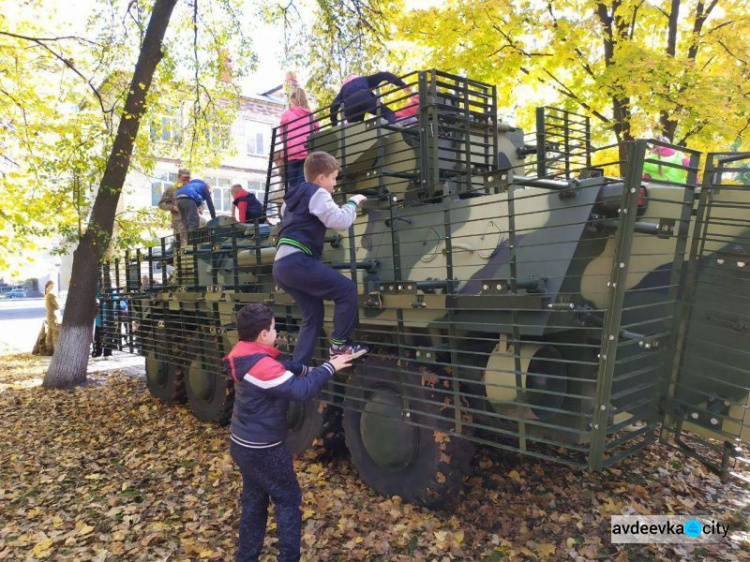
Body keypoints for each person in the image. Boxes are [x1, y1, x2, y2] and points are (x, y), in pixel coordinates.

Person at [224, 303, 356, 562]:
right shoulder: (262, 367)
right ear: (263, 334)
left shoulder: (243, 352)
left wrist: (303, 368)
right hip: (265, 449)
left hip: (243, 444)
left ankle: (247, 557)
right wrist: (332, 366)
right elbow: (301, 391)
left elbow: (278, 368)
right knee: (287, 500)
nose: (276, 331)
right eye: (273, 328)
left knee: (254, 500)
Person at [273, 151, 369, 363]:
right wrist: (354, 201)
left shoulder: (289, 201)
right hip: (297, 261)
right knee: (346, 289)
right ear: (321, 178)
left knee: (313, 314)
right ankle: (340, 346)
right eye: (334, 178)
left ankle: (299, 367)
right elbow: (340, 221)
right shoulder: (318, 192)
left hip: (281, 266)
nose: (335, 185)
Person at [330, 72, 412, 126]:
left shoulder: (343, 89)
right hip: (365, 98)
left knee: (355, 129)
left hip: (350, 107)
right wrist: (402, 84)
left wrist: (335, 125)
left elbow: (333, 107)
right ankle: (392, 129)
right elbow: (384, 75)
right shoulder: (364, 79)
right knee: (388, 113)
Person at [279, 85, 319, 189]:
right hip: (306, 152)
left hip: (291, 153)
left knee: (292, 185)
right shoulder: (311, 116)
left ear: (293, 100)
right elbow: (316, 131)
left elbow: (282, 133)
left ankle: (296, 202)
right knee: (303, 182)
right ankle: (302, 202)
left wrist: (288, 143)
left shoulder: (287, 115)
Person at [158, 167, 191, 246]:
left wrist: (200, 208)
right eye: (184, 179)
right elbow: (161, 204)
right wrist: (172, 207)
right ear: (179, 178)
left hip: (192, 221)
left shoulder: (191, 189)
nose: (186, 181)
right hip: (179, 222)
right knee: (184, 245)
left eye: (188, 179)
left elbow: (200, 201)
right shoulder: (171, 190)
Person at [44, 280, 60, 355]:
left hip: (49, 314)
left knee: (50, 333)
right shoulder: (51, 295)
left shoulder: (46, 294)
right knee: (55, 332)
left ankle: (49, 350)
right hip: (53, 315)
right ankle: (57, 351)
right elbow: (57, 306)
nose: (53, 287)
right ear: (48, 286)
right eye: (52, 285)